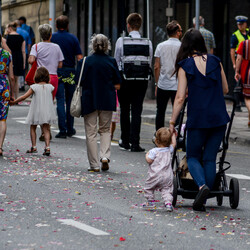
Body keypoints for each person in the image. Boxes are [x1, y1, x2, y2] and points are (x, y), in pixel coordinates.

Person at [170, 28, 230, 212]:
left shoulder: (185, 65)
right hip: (219, 117)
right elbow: (225, 89)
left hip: (198, 118)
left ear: (186, 45)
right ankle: (204, 197)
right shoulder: (216, 61)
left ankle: (202, 186)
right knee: (210, 158)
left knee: (194, 155)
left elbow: (180, 98)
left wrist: (172, 122)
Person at [75, 34, 121, 172]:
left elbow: (78, 82)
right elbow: (118, 85)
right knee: (105, 130)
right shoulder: (112, 61)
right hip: (107, 99)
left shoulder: (84, 62)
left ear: (92, 45)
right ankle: (105, 156)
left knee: (91, 133)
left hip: (89, 100)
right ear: (107, 46)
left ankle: (94, 165)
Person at [114, 13, 153, 152]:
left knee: (124, 110)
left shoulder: (122, 41)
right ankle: (135, 143)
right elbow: (149, 60)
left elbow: (117, 61)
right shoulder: (147, 41)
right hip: (141, 80)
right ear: (140, 25)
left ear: (128, 25)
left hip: (125, 79)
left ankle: (125, 141)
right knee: (137, 111)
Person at [10, 67, 57, 156]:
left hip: (36, 110)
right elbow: (50, 99)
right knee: (46, 129)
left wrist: (14, 102)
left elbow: (24, 97)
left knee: (33, 127)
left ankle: (34, 146)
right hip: (47, 110)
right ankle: (47, 147)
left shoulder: (34, 87)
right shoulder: (50, 87)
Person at [29, 23, 64, 141]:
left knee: (39, 105)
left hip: (40, 78)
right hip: (53, 78)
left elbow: (31, 60)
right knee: (48, 105)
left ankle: (44, 131)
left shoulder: (36, 46)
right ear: (50, 35)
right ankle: (46, 131)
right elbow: (60, 64)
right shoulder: (57, 47)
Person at [51, 15, 83, 138]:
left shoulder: (52, 37)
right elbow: (79, 57)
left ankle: (62, 130)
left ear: (56, 25)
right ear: (68, 25)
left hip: (58, 72)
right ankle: (70, 128)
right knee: (70, 100)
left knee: (60, 100)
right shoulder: (73, 38)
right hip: (70, 72)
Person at [154, 20, 182, 131]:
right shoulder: (182, 47)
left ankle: (159, 135)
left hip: (163, 84)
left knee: (160, 111)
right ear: (178, 32)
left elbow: (156, 66)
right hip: (178, 85)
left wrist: (157, 83)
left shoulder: (160, 46)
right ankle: (177, 135)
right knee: (177, 112)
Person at [144, 127, 176, 212]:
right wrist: (173, 134)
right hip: (167, 176)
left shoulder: (154, 151)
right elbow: (174, 144)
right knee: (166, 190)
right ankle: (168, 203)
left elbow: (149, 160)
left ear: (156, 140)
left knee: (149, 188)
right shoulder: (169, 150)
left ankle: (150, 202)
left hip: (155, 175)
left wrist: (147, 155)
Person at [230, 15, 250, 112]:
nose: (240, 26)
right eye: (238, 24)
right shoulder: (235, 35)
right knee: (238, 83)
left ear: (246, 24)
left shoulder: (248, 34)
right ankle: (237, 104)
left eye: (241, 24)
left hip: (247, 62)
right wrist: (234, 64)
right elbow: (232, 51)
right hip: (240, 62)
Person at [0, 34, 15, 156]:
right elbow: (11, 76)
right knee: (2, 118)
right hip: (3, 87)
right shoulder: (7, 55)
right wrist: (12, 94)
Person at [6, 22, 26, 99]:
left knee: (10, 78)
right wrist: (24, 62)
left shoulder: (7, 37)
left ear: (10, 28)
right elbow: (23, 51)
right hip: (18, 58)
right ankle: (16, 97)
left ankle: (11, 95)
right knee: (16, 79)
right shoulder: (21, 37)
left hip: (10, 57)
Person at [235, 39, 250, 127]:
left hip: (247, 72)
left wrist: (237, 71)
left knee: (247, 97)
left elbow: (239, 58)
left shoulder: (244, 44)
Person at [16, 19, 32, 91]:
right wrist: (28, 53)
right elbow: (29, 44)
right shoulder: (25, 32)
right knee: (24, 68)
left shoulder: (14, 32)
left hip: (16, 53)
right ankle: (22, 85)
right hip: (25, 52)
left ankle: (17, 85)